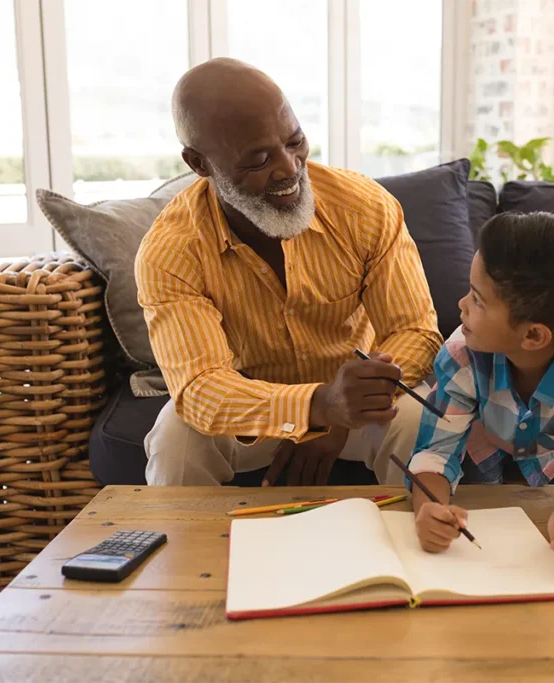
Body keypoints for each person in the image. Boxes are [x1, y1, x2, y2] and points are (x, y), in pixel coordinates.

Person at [136, 58, 441, 487]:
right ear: (199, 164)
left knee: (416, 421)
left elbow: (416, 331)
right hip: (250, 411)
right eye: (258, 160)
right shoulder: (171, 249)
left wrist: (339, 416)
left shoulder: (366, 207)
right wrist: (314, 408)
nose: (289, 168)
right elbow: (201, 390)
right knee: (176, 437)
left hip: (357, 405)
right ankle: (189, 553)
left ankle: (419, 546)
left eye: (295, 141)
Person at [407, 212, 554, 580]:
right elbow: (436, 453)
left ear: (533, 336)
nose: (461, 305)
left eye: (477, 300)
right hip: (478, 469)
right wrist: (428, 508)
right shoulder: (462, 353)